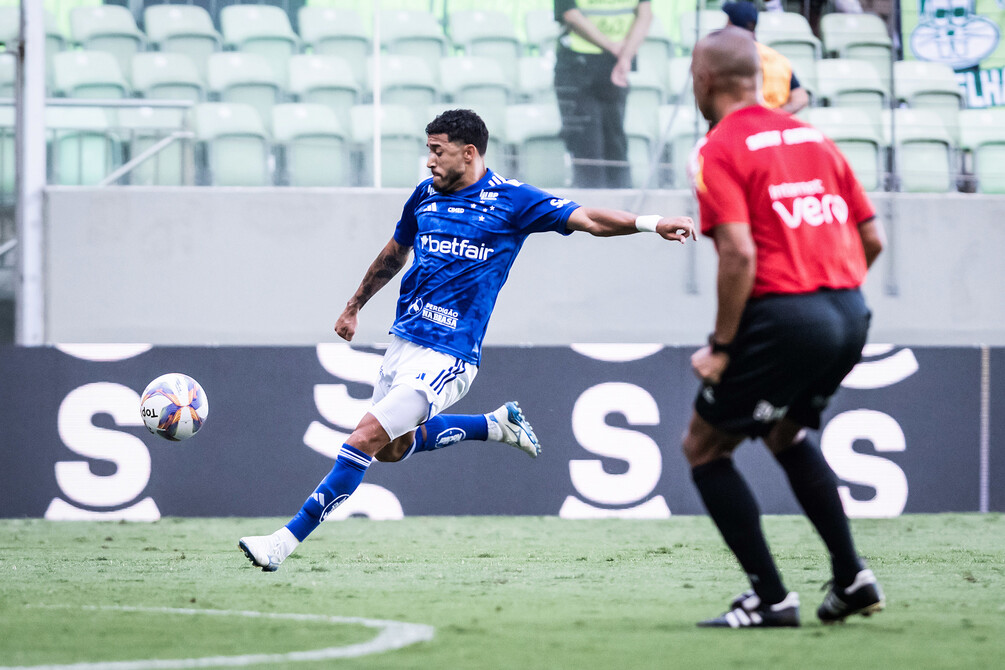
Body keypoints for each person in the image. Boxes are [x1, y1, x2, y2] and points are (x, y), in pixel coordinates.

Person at [239, 108, 694, 572]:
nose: (430, 162)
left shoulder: (512, 200)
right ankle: (494, 424)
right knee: (393, 449)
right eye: (428, 151)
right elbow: (394, 254)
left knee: (365, 438)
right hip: (404, 342)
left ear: (469, 153)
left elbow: (589, 219)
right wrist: (354, 305)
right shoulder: (423, 197)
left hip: (450, 354)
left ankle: (283, 541)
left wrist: (650, 222)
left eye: (438, 152)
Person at [684, 27, 887, 627]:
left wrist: (723, 346)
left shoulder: (719, 147)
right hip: (850, 312)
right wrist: (830, 291)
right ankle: (851, 578)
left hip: (786, 316)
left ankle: (771, 599)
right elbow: (872, 238)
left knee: (703, 446)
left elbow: (739, 255)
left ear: (706, 80)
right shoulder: (814, 137)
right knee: (786, 434)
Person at [553, 0, 652, 188]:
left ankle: (623, 212)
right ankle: (590, 213)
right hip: (577, 66)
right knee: (587, 150)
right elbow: (570, 14)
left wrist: (624, 55)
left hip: (614, 64)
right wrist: (619, 51)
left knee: (616, 147)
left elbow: (645, 14)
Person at [721, 1, 810, 115]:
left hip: (745, 125)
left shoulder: (726, 58)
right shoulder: (776, 58)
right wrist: (776, 116)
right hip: (773, 127)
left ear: (730, 24)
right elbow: (801, 99)